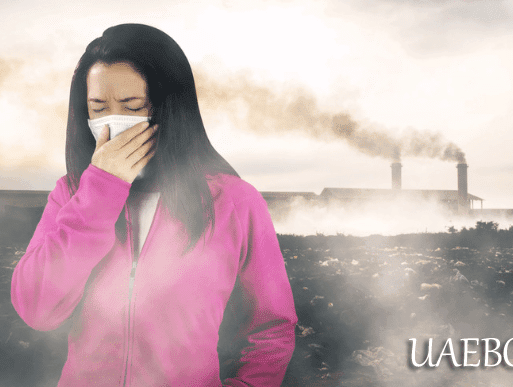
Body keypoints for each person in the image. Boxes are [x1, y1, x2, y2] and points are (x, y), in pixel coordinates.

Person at [11, 23, 298, 387]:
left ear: (170, 108)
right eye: (98, 107)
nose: (113, 124)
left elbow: (271, 330)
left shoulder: (235, 201)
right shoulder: (71, 193)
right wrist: (99, 190)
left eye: (132, 107)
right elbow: (37, 308)